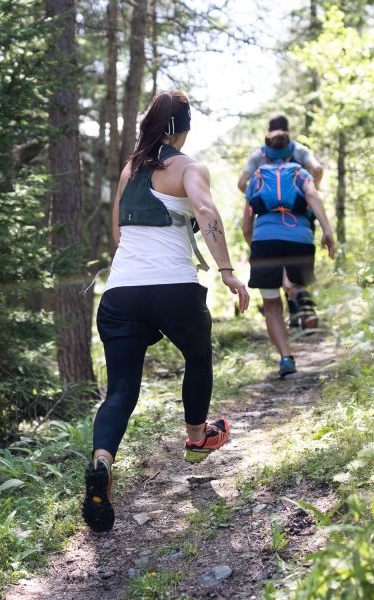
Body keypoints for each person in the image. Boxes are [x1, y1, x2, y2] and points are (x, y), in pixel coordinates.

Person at [83, 90, 250, 534]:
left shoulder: (129, 170)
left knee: (120, 391)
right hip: (174, 288)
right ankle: (197, 438)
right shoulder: (190, 168)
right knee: (197, 357)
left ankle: (101, 464)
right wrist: (228, 271)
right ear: (183, 129)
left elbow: (119, 235)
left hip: (121, 294)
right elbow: (206, 209)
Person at [241, 129, 336, 378]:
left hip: (265, 240)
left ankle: (285, 357)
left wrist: (256, 246)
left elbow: (247, 224)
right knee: (298, 281)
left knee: (271, 304)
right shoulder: (301, 173)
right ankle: (300, 296)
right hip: (300, 239)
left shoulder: (257, 177)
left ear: (267, 153)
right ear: (289, 151)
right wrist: (327, 230)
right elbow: (313, 195)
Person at [237, 115, 326, 331]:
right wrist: (311, 191)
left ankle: (295, 316)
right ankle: (299, 312)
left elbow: (241, 182)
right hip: (301, 219)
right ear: (288, 130)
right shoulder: (300, 150)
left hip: (266, 225)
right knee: (295, 266)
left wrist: (255, 196)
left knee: (277, 271)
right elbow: (319, 169)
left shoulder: (261, 154)